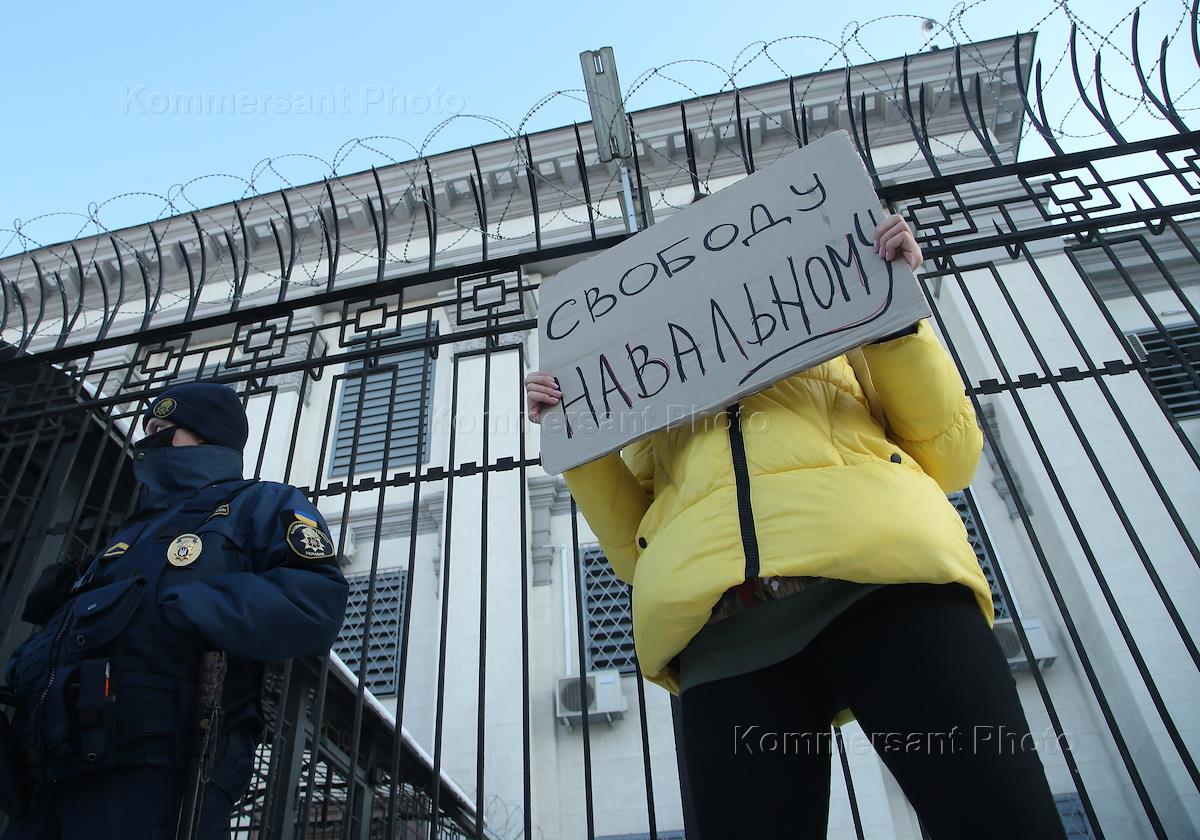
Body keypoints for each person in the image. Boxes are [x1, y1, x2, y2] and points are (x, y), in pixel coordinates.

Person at [525, 214, 1067, 838]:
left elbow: (951, 456)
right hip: (727, 635)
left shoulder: (845, 329)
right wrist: (575, 437)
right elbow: (632, 554)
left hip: (891, 588)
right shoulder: (654, 404)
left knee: (1002, 820)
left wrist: (895, 315)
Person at [0, 382, 349, 840]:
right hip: (50, 779)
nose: (149, 441)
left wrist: (187, 610)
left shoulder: (260, 503)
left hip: (157, 770)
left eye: (163, 429)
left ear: (206, 435)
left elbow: (314, 600)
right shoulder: (129, 532)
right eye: (147, 429)